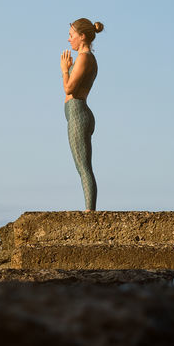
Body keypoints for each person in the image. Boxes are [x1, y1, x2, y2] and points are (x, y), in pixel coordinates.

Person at [61, 19, 104, 211]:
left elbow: (69, 88)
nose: (69, 39)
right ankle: (89, 211)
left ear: (82, 36)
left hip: (78, 112)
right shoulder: (85, 58)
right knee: (82, 167)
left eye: (72, 35)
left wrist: (64, 70)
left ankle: (89, 212)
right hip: (77, 113)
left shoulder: (85, 58)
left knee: (84, 168)